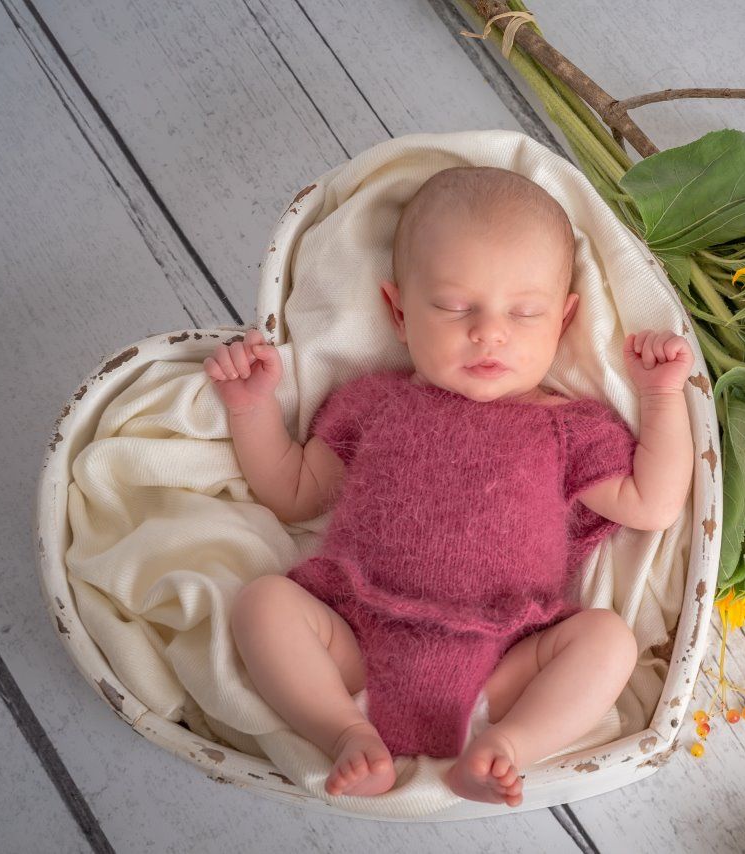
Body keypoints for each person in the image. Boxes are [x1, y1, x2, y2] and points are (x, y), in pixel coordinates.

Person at [207, 166, 694, 805]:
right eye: (455, 307)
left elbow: (653, 504)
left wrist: (661, 395)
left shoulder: (569, 429)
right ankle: (345, 731)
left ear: (564, 319)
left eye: (524, 313)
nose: (489, 332)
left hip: (504, 662)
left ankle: (508, 746)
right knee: (262, 604)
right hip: (357, 640)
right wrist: (251, 408)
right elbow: (290, 491)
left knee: (607, 642)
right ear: (398, 312)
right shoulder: (371, 404)